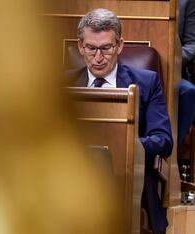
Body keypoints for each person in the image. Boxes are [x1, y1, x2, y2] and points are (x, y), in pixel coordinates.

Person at [71, 9, 173, 234]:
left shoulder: (146, 82)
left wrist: (127, 145)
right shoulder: (61, 83)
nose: (98, 57)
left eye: (106, 48)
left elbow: (164, 140)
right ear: (80, 47)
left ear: (119, 45)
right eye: (91, 48)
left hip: (125, 180)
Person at [178, 0, 195, 148]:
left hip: (173, 70)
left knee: (188, 92)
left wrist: (171, 58)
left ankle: (168, 158)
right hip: (119, 66)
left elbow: (192, 44)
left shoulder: (185, 2)